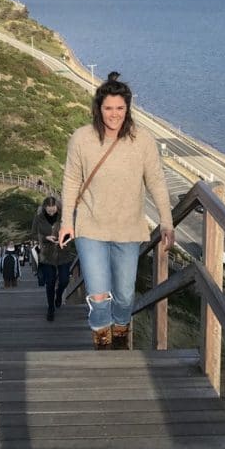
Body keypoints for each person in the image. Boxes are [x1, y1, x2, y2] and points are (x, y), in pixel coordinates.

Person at [58, 72, 174, 350]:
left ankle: (120, 333)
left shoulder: (142, 140)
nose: (114, 114)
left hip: (128, 228)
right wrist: (66, 222)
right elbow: (71, 181)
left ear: (128, 108)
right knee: (99, 295)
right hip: (90, 228)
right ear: (98, 109)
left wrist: (167, 222)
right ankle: (102, 344)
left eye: (120, 108)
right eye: (108, 108)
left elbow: (156, 181)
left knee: (124, 296)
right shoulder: (81, 138)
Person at [32, 196, 73, 322]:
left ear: (57, 207)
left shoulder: (64, 217)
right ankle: (51, 308)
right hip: (47, 255)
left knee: (64, 280)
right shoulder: (38, 218)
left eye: (53, 210)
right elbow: (33, 234)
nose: (51, 212)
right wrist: (45, 238)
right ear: (45, 207)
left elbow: (71, 231)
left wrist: (65, 239)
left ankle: (59, 294)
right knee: (49, 282)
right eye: (49, 210)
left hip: (63, 253)